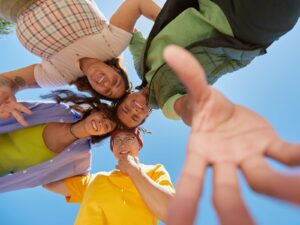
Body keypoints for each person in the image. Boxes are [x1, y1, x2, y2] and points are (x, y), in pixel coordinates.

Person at [160, 45, 300, 225]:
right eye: (132, 116)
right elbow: (181, 107)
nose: (136, 109)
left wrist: (204, 106)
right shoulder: (162, 101)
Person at [128, 0, 300, 125]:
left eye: (126, 110)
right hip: (240, 29)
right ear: (146, 116)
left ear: (124, 97)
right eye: (135, 117)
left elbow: (127, 35)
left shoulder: (141, 65)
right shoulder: (166, 102)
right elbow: (185, 108)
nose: (134, 110)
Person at [0, 0, 161, 126]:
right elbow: (137, 3)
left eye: (107, 92)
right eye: (116, 82)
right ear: (115, 69)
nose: (107, 84)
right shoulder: (113, 45)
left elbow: (10, 80)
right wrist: (171, 22)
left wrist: (6, 88)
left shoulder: (60, 75)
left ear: (95, 89)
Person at [43, 128, 175, 225]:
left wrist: (134, 171)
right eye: (117, 140)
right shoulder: (94, 180)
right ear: (112, 150)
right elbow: (47, 182)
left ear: (139, 145)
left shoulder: (154, 171)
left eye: (129, 138)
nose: (122, 144)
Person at [0, 90, 120, 192]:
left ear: (103, 133)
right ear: (95, 111)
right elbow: (13, 109)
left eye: (107, 126)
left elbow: (83, 190)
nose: (101, 123)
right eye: (103, 116)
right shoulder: (58, 110)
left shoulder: (81, 160)